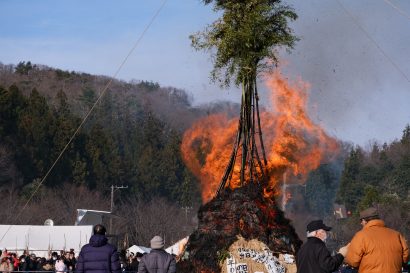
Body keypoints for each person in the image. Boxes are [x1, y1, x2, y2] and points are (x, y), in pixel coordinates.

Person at [345, 207, 409, 273]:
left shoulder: (360, 236)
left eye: (361, 221)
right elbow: (405, 257)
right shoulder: (396, 234)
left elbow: (353, 261)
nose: (360, 223)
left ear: (364, 220)